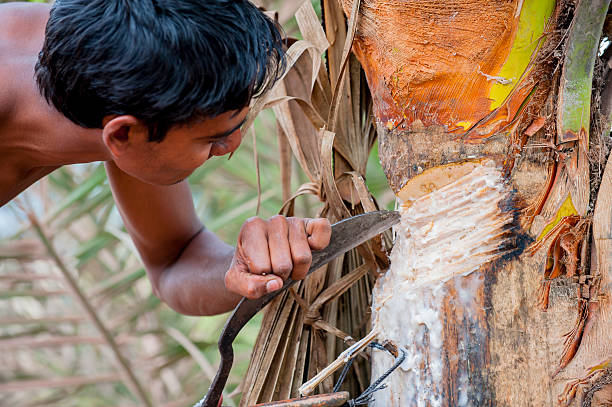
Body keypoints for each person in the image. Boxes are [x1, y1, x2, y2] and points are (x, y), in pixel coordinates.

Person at [0, 0, 331, 316]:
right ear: (123, 135)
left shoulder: (127, 60)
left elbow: (175, 257)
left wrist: (238, 268)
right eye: (213, 138)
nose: (231, 146)